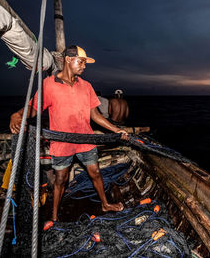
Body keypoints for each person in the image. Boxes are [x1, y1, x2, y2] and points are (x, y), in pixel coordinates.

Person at [9, 45, 127, 222]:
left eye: (85, 63)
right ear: (68, 60)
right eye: (81, 62)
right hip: (62, 143)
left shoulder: (86, 86)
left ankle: (105, 204)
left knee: (95, 172)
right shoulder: (49, 85)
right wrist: (17, 115)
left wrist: (117, 130)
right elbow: (33, 109)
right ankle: (55, 215)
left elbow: (95, 115)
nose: (84, 66)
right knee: (61, 179)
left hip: (86, 140)